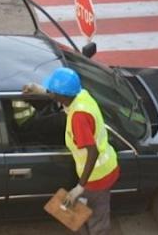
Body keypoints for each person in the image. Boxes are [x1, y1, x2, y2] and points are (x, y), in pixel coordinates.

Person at [25, 68, 118, 235]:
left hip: (96, 177)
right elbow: (65, 97)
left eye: (54, 92)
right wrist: (43, 91)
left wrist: (80, 187)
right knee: (75, 209)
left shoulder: (79, 118)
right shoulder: (81, 95)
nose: (52, 94)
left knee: (96, 221)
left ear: (63, 96)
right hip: (105, 167)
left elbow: (93, 151)